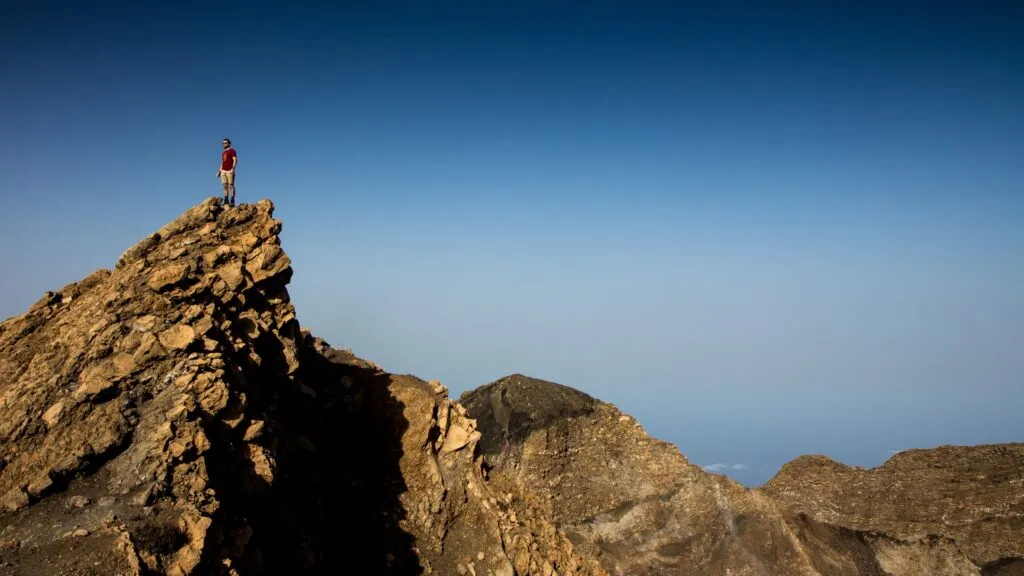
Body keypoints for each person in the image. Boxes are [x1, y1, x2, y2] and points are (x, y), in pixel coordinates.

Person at [218, 138, 238, 207]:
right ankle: (226, 199)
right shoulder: (223, 153)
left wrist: (233, 168)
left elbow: (235, 160)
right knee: (224, 186)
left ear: (229, 144)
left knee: (231, 185)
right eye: (223, 143)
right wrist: (219, 171)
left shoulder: (232, 151)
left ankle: (232, 200)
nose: (224, 144)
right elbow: (223, 162)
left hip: (230, 170)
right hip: (223, 171)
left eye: (225, 143)